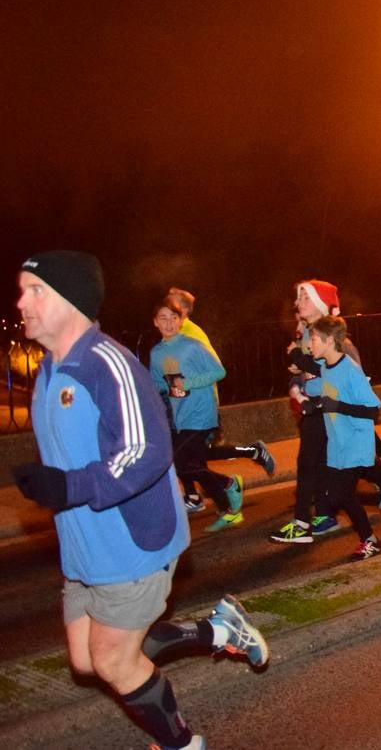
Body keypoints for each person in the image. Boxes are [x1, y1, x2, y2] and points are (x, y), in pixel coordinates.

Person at [13, 251, 268, 750]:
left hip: (133, 542)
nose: (22, 301)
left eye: (35, 290)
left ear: (70, 300)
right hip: (84, 546)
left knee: (112, 660)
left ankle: (181, 744)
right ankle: (219, 630)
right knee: (87, 660)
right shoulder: (48, 371)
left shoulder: (105, 362)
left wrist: (69, 487)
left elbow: (147, 450)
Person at [271, 280, 381, 544]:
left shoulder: (337, 342)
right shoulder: (306, 334)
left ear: (322, 304)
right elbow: (312, 372)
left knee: (331, 467)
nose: (298, 302)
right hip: (321, 410)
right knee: (327, 470)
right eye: (298, 297)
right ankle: (376, 498)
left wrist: (308, 379)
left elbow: (353, 385)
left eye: (305, 297)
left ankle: (318, 523)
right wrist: (298, 385)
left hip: (336, 415)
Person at [163, 287, 275, 490]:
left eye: (173, 304)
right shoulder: (174, 333)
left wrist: (184, 386)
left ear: (185, 310)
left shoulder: (191, 334)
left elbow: (215, 369)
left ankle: (243, 463)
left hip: (198, 406)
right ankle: (198, 494)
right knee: (188, 453)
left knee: (188, 453)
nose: (167, 309)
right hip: (182, 404)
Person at [148, 296, 243, 532]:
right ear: (155, 323)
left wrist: (188, 383)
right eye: (163, 318)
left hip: (201, 414)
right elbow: (158, 383)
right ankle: (228, 488)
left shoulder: (192, 345)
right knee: (189, 463)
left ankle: (228, 495)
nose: (169, 323)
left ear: (180, 321)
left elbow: (219, 371)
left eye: (174, 317)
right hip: (179, 416)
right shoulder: (156, 353)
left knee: (180, 462)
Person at [302, 315, 381, 560]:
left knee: (339, 496)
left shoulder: (350, 369)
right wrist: (312, 402)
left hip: (355, 439)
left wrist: (337, 406)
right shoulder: (326, 367)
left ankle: (370, 540)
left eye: (314, 339)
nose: (310, 345)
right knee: (349, 484)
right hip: (338, 442)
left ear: (329, 341)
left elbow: (372, 410)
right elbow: (326, 393)